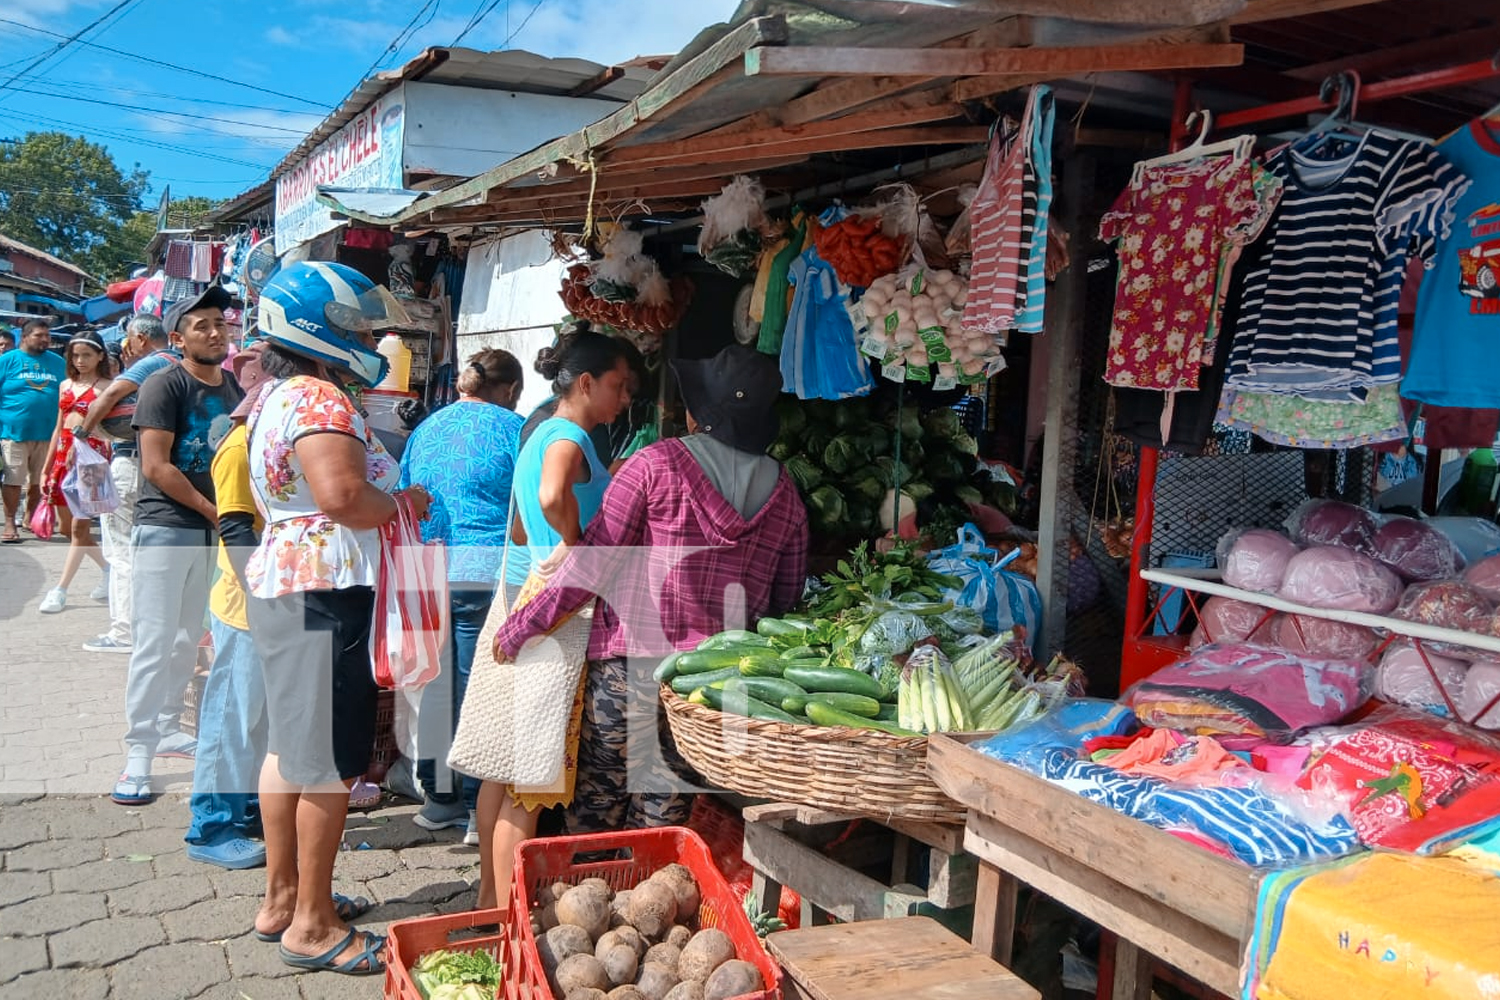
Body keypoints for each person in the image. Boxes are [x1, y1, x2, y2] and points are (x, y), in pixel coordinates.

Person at [494, 345, 808, 835]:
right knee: (665, 815)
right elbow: (785, 599)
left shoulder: (654, 465)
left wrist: (523, 626)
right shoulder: (785, 493)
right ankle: (649, 895)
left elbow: (592, 564)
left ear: (698, 412)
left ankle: (594, 895)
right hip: (707, 685)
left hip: (629, 672)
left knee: (599, 809)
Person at [243, 262, 429, 976]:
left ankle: (283, 899)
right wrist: (403, 506)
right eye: (355, 326)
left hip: (287, 580)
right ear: (317, 329)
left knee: (290, 750)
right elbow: (344, 494)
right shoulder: (320, 397)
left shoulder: (274, 394)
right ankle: (313, 928)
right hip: (324, 588)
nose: (370, 337)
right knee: (326, 761)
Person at [474, 329, 631, 910]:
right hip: (556, 619)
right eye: (616, 386)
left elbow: (518, 528)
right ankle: (509, 914)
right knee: (533, 782)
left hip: (522, 596)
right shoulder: (567, 434)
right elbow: (547, 497)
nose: (622, 399)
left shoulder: (536, 431)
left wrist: (545, 549)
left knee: (505, 770)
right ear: (585, 383)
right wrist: (574, 540)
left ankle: (489, 902)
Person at [112, 287, 244, 806]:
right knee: (154, 642)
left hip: (214, 533)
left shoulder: (234, 387)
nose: (215, 332)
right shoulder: (163, 385)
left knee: (189, 639)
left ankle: (167, 727)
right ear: (178, 337)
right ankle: (137, 753)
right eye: (201, 325)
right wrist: (216, 513)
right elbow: (156, 466)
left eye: (220, 323)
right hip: (167, 527)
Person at [399, 348, 525, 844]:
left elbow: (407, 491)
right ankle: (479, 806)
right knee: (480, 689)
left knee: (437, 681)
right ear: (511, 390)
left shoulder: (426, 428)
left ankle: (438, 800)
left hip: (430, 568)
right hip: (484, 571)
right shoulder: (514, 428)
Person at [184, 344, 273, 870]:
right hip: (246, 605)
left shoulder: (255, 441)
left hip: (259, 602)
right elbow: (236, 527)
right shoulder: (239, 448)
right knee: (230, 716)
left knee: (252, 717)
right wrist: (261, 596)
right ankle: (211, 826)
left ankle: (241, 811)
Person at [77, 313, 176, 654]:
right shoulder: (184, 363)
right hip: (162, 467)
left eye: (128, 342)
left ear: (140, 339)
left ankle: (124, 633)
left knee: (121, 551)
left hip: (130, 462)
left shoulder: (153, 362)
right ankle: (153, 630)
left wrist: (83, 432)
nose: (127, 349)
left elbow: (110, 396)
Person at [37, 329, 114, 613]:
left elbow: (110, 431)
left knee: (80, 526)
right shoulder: (65, 384)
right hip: (62, 457)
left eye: (87, 355)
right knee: (67, 528)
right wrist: (46, 468)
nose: (80, 360)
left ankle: (60, 589)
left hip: (92, 459)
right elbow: (59, 428)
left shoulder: (108, 386)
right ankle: (108, 570)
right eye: (75, 355)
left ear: (100, 356)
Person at [0, 318, 65, 543]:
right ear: (25, 336)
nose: (45, 340)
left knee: (39, 481)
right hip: (12, 432)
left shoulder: (58, 363)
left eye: (47, 336)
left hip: (48, 433)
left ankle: (30, 518)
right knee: (13, 479)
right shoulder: (7, 361)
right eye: (39, 335)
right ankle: (10, 522)